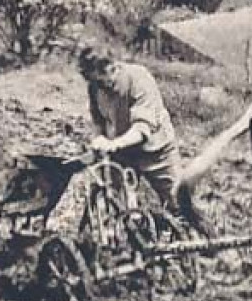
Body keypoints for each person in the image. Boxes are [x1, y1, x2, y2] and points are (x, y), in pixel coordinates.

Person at [76, 45, 182, 209]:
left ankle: (190, 232)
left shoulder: (139, 78)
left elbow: (142, 129)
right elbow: (97, 119)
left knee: (178, 203)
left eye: (102, 80)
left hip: (157, 151)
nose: (100, 87)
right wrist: (98, 138)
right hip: (122, 153)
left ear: (113, 67)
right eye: (94, 81)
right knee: (118, 204)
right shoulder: (95, 87)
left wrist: (112, 144)